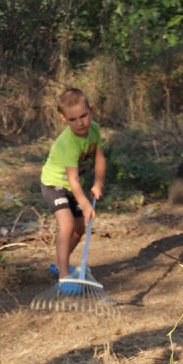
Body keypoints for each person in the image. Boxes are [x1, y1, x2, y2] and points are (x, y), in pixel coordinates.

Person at [39, 88, 106, 291]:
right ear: (63, 118)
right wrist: (85, 204)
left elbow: (100, 157)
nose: (80, 123)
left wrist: (99, 183)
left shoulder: (94, 129)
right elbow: (73, 178)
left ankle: (59, 263)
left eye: (84, 116)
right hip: (54, 184)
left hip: (71, 187)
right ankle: (64, 276)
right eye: (73, 119)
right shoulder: (68, 142)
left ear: (91, 110)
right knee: (67, 224)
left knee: (79, 228)